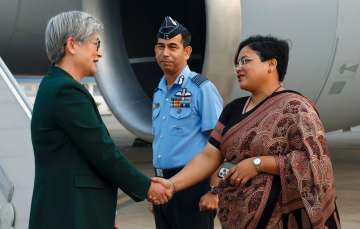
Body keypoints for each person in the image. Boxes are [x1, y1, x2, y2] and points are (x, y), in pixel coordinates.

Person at [154, 35, 341, 228]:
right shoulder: (233, 109)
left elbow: (315, 162)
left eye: (245, 61)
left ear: (271, 64)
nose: (238, 68)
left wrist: (258, 164)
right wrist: (172, 184)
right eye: (236, 63)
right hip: (238, 217)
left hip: (281, 219)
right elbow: (209, 156)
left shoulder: (296, 108)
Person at [29, 11, 171, 229]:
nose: (99, 53)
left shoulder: (55, 86)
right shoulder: (66, 91)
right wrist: (146, 187)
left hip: (73, 213)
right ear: (72, 45)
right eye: (95, 44)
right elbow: (103, 152)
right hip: (71, 215)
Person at [151, 16, 223, 229]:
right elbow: (160, 140)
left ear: (187, 52)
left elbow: (219, 145)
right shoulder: (159, 91)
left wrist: (214, 191)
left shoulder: (201, 88)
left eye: (173, 46)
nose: (165, 53)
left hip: (193, 187)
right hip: (162, 187)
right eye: (160, 47)